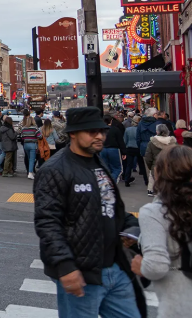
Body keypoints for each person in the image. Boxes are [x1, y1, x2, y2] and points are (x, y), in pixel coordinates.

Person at [33, 106, 141, 318]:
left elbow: (113, 208)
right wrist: (65, 266)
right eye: (92, 132)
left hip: (114, 268)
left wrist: (130, 228)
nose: (100, 136)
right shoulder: (54, 170)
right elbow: (47, 222)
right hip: (81, 272)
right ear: (73, 133)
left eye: (101, 131)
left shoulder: (98, 162)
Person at [131, 146, 192, 318]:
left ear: (159, 174)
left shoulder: (154, 211)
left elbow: (156, 266)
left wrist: (140, 266)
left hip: (180, 306)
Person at [145, 124, 176, 197]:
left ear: (157, 131)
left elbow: (148, 157)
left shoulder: (152, 142)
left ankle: (152, 191)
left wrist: (150, 166)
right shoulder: (172, 142)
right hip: (169, 165)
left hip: (156, 165)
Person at [100, 115, 125, 183]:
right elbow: (120, 141)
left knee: (106, 168)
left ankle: (106, 181)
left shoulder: (100, 130)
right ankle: (111, 182)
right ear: (111, 121)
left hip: (102, 149)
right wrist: (124, 152)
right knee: (118, 169)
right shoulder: (115, 129)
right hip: (114, 149)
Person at [123, 115, 144, 187]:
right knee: (142, 164)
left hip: (129, 148)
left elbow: (125, 140)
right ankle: (146, 180)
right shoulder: (140, 129)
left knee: (129, 165)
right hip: (138, 148)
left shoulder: (127, 130)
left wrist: (124, 148)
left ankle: (126, 180)